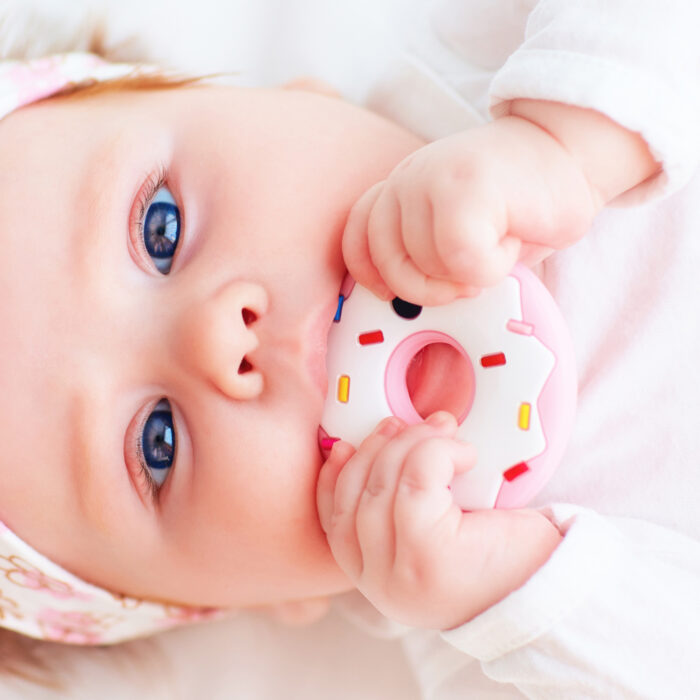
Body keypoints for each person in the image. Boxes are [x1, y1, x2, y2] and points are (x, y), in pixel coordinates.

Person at [0, 0, 698, 696]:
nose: (217, 337)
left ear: (290, 99)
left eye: (162, 228)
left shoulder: (486, 58)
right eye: (159, 443)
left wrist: (568, 142)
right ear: (268, 598)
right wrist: (521, 596)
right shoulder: (497, 657)